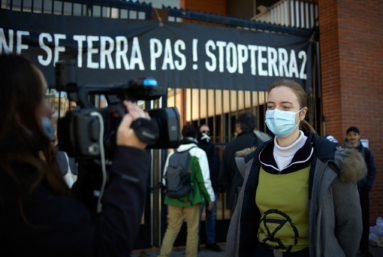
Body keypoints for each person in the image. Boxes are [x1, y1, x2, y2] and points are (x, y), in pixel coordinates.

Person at [0, 54, 151, 256]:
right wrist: (131, 157)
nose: (51, 109)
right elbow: (107, 247)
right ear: (17, 109)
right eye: (44, 97)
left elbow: (71, 223)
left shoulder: (18, 172)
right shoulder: (15, 186)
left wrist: (93, 167)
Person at [225, 79, 366, 257]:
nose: (276, 113)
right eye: (271, 106)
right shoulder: (254, 161)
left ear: (302, 113)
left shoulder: (330, 162)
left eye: (285, 107)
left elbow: (350, 225)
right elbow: (245, 220)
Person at [158, 125, 215, 257]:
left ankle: (162, 255)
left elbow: (165, 178)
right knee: (192, 230)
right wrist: (210, 198)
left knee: (172, 228)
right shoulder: (199, 153)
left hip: (173, 197)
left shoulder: (173, 153)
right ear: (195, 136)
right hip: (192, 198)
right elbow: (204, 180)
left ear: (182, 135)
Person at [219, 112, 263, 215]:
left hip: (236, 197)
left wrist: (226, 188)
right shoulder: (261, 144)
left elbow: (223, 178)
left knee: (236, 229)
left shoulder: (229, 146)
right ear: (254, 126)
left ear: (239, 126)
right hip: (257, 197)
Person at [344, 126, 376, 257]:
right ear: (347, 136)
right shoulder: (342, 151)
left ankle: (364, 249)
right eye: (350, 134)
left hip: (362, 191)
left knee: (364, 220)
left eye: (354, 134)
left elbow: (372, 170)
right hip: (346, 193)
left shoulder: (366, 152)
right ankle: (348, 249)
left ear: (359, 136)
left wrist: (367, 187)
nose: (352, 137)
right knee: (347, 221)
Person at [197, 124, 222, 252]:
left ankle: (210, 241)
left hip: (212, 188)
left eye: (208, 131)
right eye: (203, 131)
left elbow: (218, 166)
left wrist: (218, 185)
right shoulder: (196, 148)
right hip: (198, 189)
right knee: (197, 216)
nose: (206, 133)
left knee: (211, 216)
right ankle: (195, 242)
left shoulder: (213, 148)